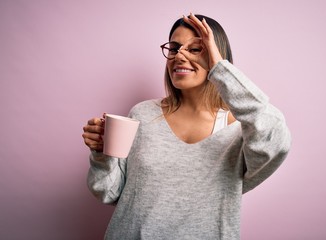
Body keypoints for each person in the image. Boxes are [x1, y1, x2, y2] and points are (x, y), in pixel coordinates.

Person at [82, 13, 291, 239]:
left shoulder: (241, 131)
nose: (179, 56)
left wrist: (220, 68)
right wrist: (102, 154)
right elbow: (108, 192)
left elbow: (277, 139)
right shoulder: (142, 114)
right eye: (174, 48)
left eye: (195, 49)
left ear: (215, 56)